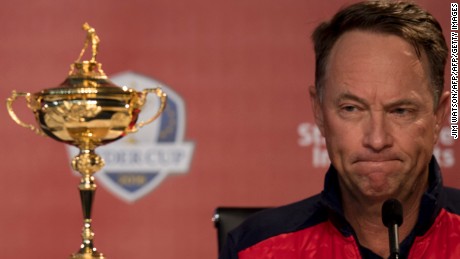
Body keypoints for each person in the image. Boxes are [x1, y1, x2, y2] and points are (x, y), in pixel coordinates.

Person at [220, 1, 460, 258]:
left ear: (439, 115)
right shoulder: (254, 250)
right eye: (351, 109)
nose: (377, 139)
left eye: (400, 111)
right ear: (319, 112)